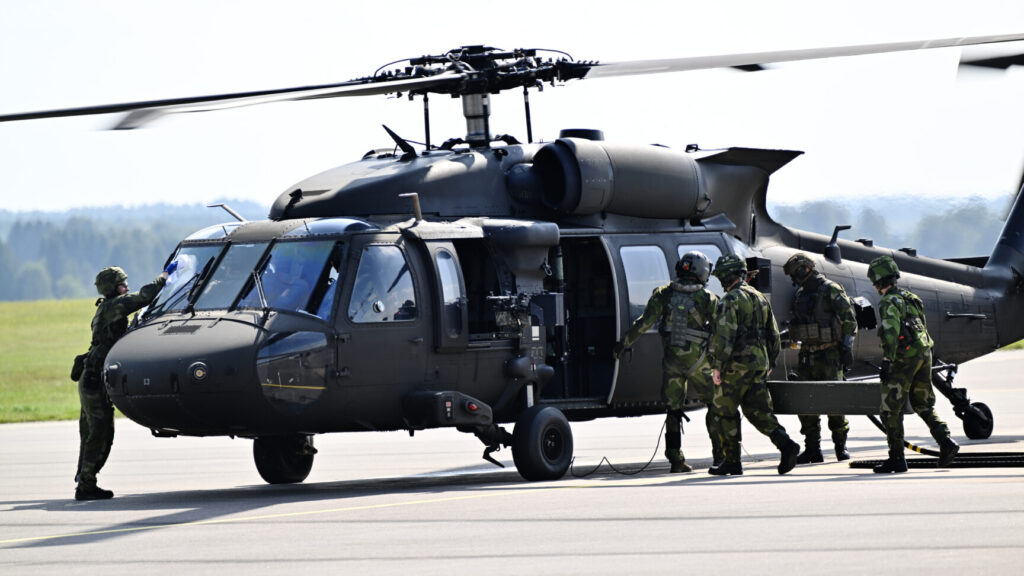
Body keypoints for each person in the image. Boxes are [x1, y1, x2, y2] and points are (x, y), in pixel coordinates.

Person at [613, 251, 722, 472]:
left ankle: (676, 459)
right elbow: (721, 330)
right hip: (700, 362)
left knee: (673, 410)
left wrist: (622, 344)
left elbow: (643, 323)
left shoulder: (663, 294)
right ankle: (720, 456)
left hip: (672, 362)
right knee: (714, 405)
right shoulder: (707, 298)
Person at [74, 263, 173, 500]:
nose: (126, 287)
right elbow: (145, 296)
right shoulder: (116, 305)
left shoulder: (105, 307)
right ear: (113, 287)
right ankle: (86, 484)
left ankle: (84, 478)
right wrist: (164, 276)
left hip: (90, 375)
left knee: (90, 430)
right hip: (94, 378)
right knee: (100, 431)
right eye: (122, 284)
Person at [706, 254, 800, 476]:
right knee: (758, 411)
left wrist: (718, 366)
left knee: (725, 411)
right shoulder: (759, 298)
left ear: (726, 277)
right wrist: (770, 361)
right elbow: (773, 334)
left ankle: (732, 461)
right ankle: (786, 444)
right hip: (759, 364)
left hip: (735, 366)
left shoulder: (730, 300)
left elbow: (725, 337)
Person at [867, 255, 959, 473]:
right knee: (923, 403)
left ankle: (897, 459)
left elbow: (891, 333)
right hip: (924, 354)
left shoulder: (889, 301)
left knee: (890, 409)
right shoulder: (911, 298)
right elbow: (922, 327)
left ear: (878, 281)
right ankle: (946, 441)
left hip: (904, 358)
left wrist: (887, 360)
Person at [783, 252, 857, 463]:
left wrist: (846, 348)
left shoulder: (831, 289)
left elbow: (849, 320)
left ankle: (840, 446)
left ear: (805, 269)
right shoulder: (800, 295)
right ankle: (812, 449)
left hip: (829, 353)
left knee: (835, 402)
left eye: (796, 273)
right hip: (808, 355)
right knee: (806, 403)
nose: (795, 279)